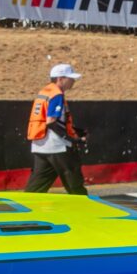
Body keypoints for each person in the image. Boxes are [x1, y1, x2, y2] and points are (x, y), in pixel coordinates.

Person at [24, 63, 88, 195]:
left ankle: (27, 210)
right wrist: (72, 139)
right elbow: (51, 122)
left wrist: (74, 130)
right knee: (74, 184)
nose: (73, 81)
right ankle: (84, 210)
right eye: (70, 78)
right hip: (57, 146)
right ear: (60, 79)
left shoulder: (45, 92)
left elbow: (51, 120)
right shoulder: (57, 95)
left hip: (40, 145)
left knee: (35, 188)